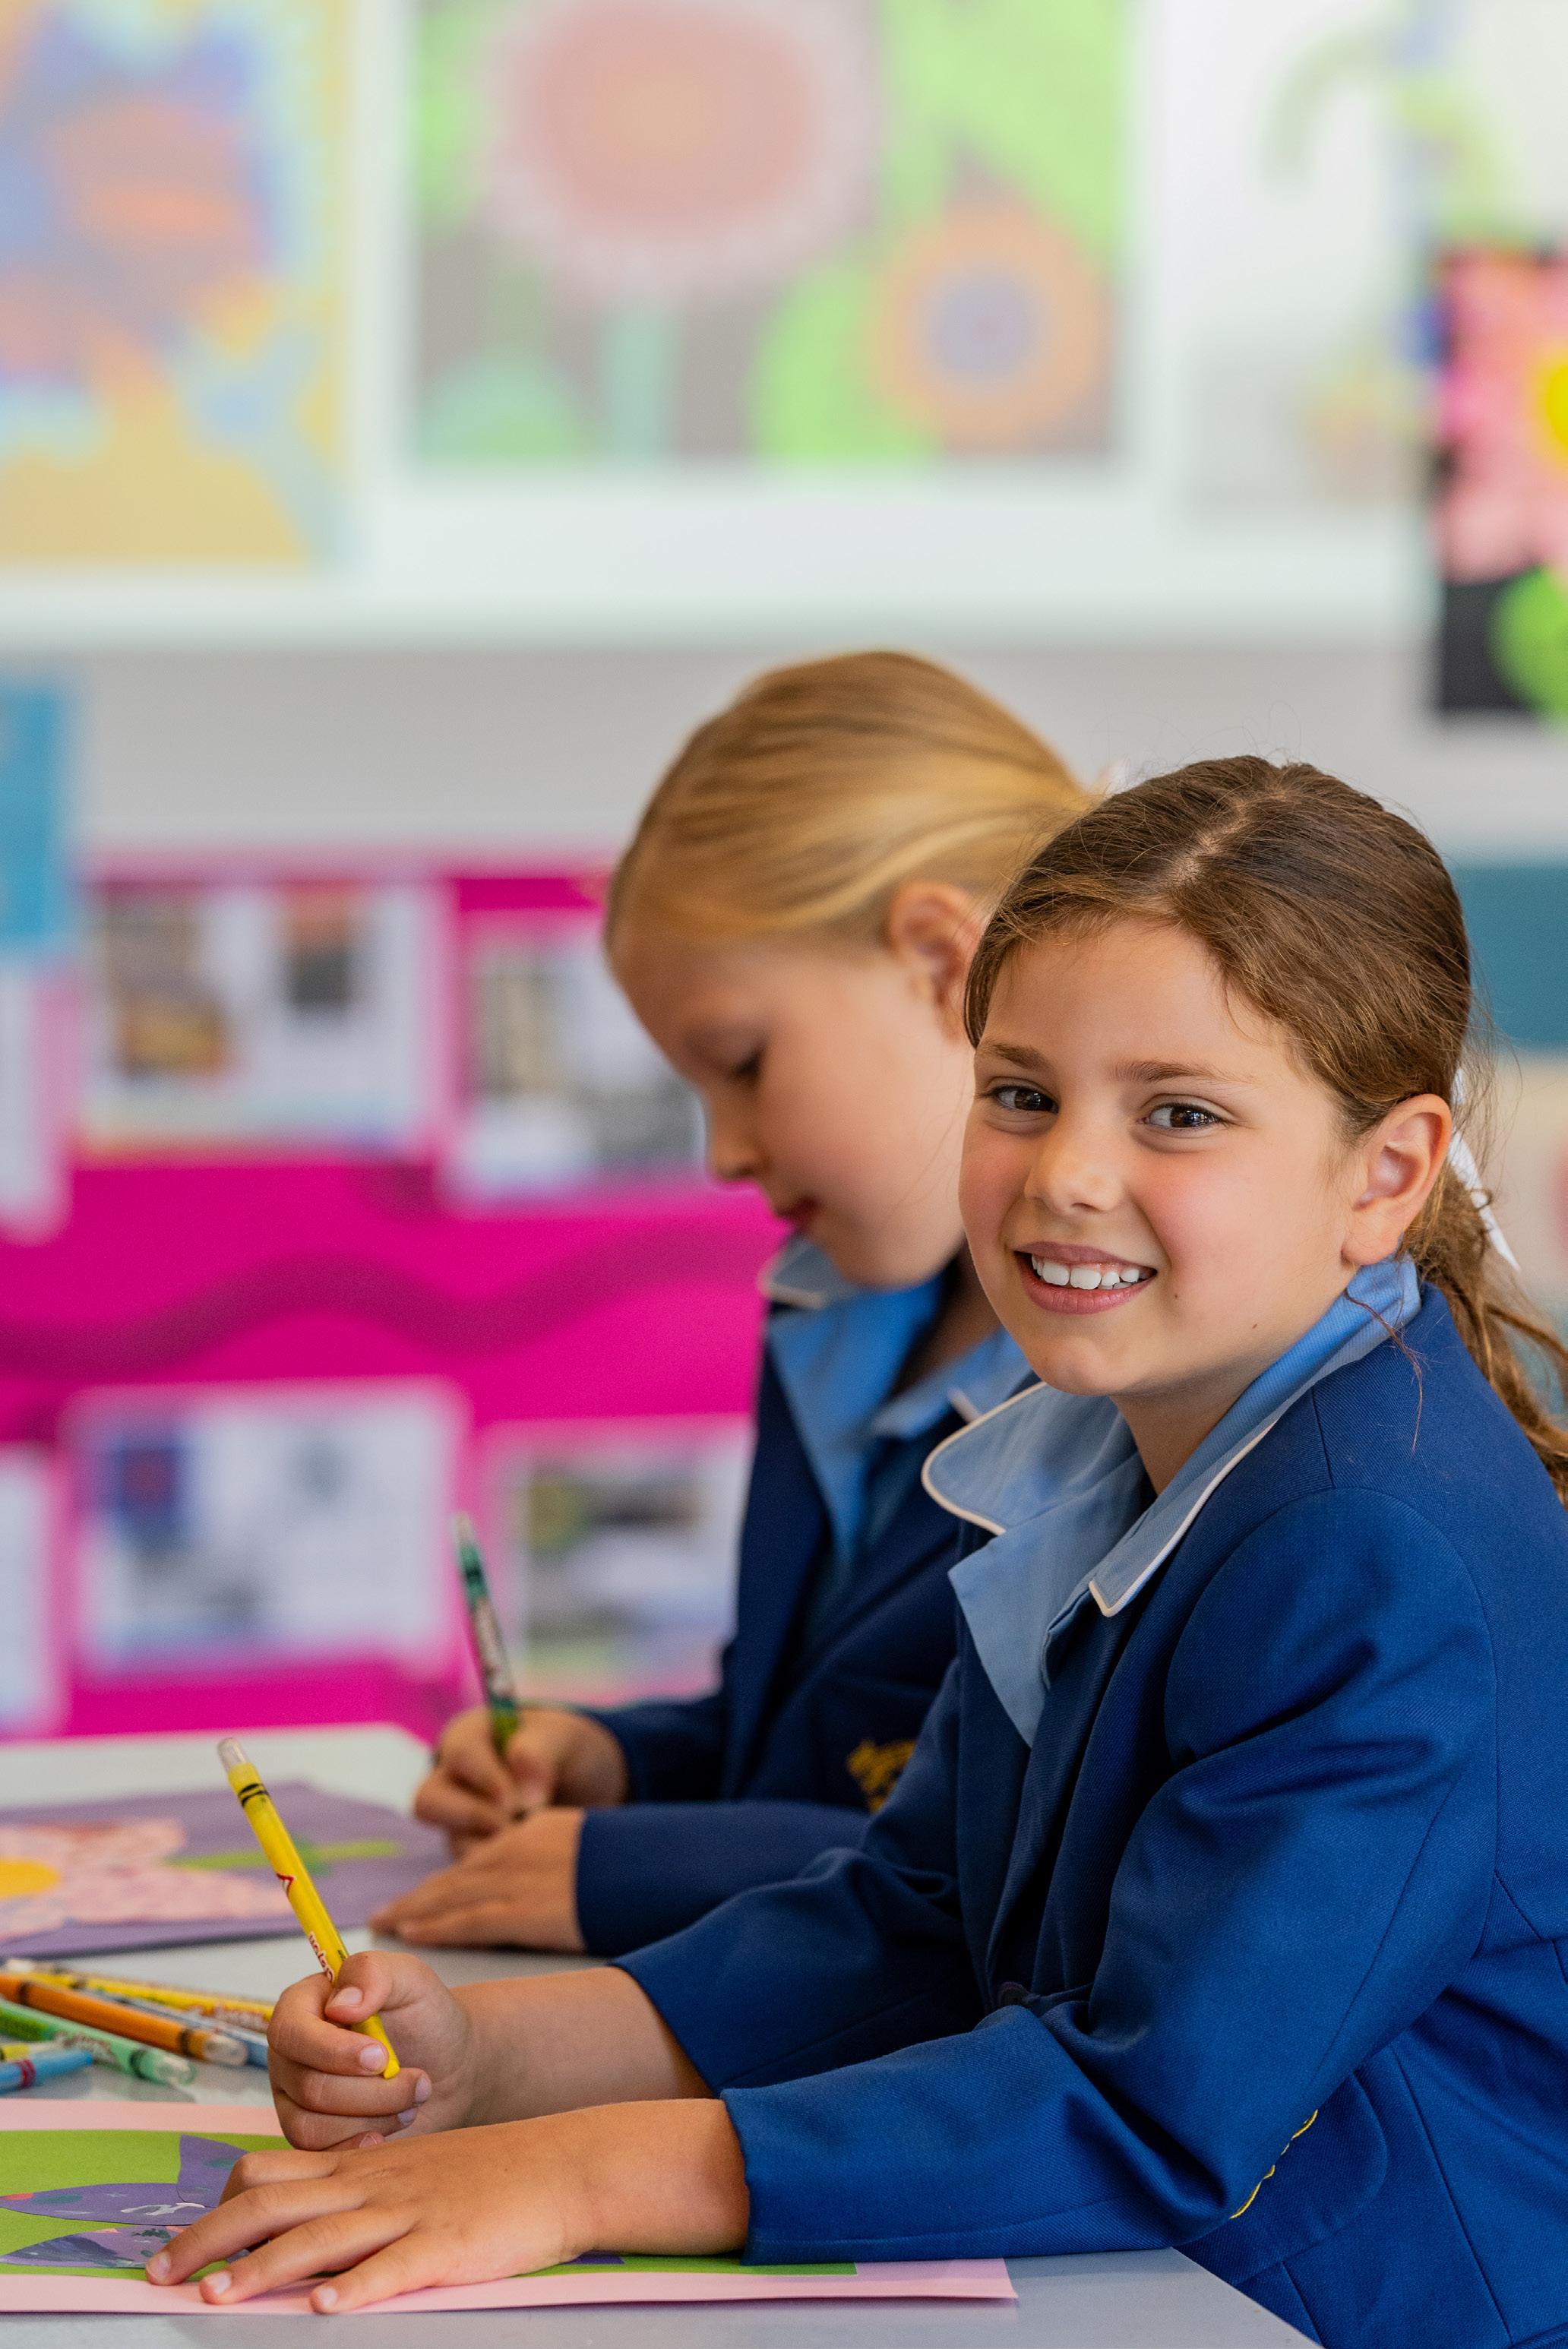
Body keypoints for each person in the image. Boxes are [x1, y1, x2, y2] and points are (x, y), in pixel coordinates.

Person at [156, 759, 1568, 2349]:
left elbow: (1152, 2107)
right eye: (1020, 1092)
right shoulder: (1106, 1446)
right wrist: (497, 2061)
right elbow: (919, 1919)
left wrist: (577, 2175)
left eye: (1179, 1113)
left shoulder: (1372, 1555)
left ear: (1386, 1173)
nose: (1065, 1173)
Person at [375, 651, 1087, 1956]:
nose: (724, 1154)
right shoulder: (835, 1328)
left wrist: (634, 1870)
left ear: (943, 964)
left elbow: (1028, 1847)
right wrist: (618, 1767)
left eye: (744, 1065)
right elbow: (807, 1739)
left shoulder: (1127, 1387)